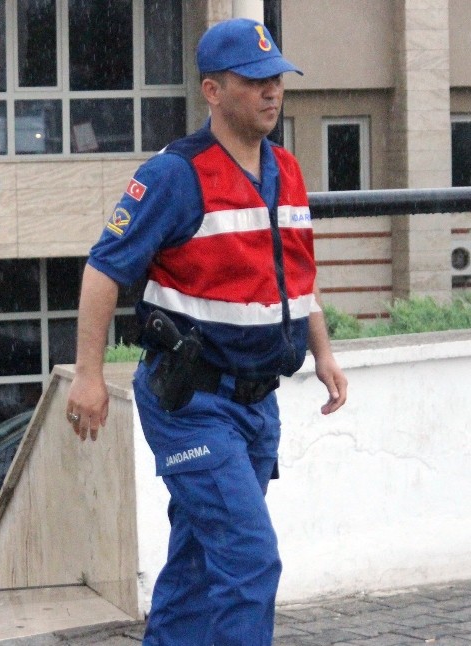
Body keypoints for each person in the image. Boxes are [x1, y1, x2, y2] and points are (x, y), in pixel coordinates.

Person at [65, 19, 349, 646]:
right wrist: (87, 377)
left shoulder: (288, 170)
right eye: (254, 81)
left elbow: (295, 276)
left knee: (197, 561)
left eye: (276, 78)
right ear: (213, 91)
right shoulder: (174, 175)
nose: (272, 92)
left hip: (255, 402)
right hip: (191, 401)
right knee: (249, 559)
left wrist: (323, 351)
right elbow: (102, 270)